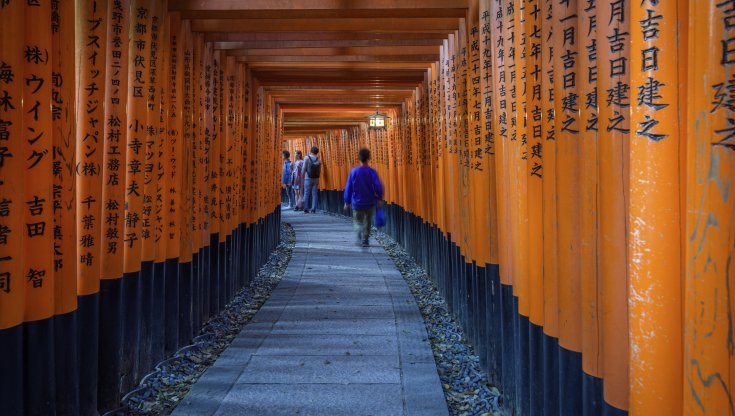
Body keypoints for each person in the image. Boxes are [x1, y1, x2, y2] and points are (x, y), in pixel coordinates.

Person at [343, 148, 384, 247]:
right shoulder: (371, 172)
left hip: (356, 202)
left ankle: (358, 232)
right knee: (368, 220)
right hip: (369, 202)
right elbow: (378, 185)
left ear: (359, 158)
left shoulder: (354, 172)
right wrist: (379, 197)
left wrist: (347, 201)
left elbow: (349, 187)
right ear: (368, 158)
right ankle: (365, 239)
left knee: (357, 220)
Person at [302, 146, 321, 213]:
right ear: (317, 152)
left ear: (310, 151)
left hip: (308, 178)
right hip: (316, 178)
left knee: (306, 193)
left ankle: (306, 208)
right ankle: (313, 208)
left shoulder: (306, 158)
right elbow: (319, 170)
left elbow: (304, 168)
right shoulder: (318, 159)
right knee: (314, 194)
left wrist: (302, 176)